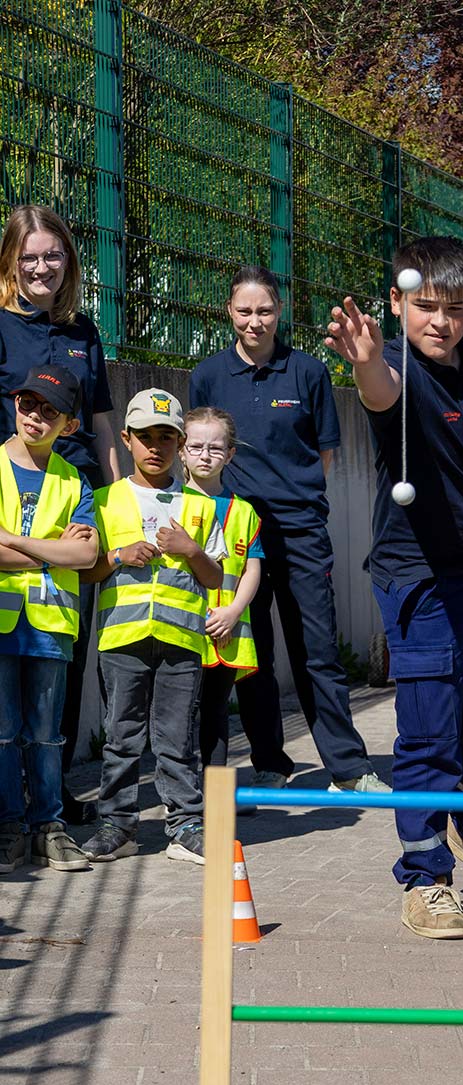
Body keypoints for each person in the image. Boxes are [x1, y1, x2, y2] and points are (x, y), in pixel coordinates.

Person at [326, 237, 463, 940]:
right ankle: (425, 879)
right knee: (429, 734)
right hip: (416, 576)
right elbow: (379, 395)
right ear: (397, 302)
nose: (440, 321)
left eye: (456, 307)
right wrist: (363, 361)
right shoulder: (389, 365)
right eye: (425, 306)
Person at [189, 266, 386, 799]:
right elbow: (201, 453)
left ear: (280, 312)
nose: (255, 321)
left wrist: (292, 501)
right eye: (245, 311)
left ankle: (347, 766)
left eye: (265, 311)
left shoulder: (308, 373)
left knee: (316, 650)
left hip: (300, 532)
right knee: (251, 653)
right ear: (229, 312)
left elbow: (324, 454)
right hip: (233, 536)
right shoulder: (208, 376)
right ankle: (269, 761)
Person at [0, 205, 120, 824]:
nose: (42, 267)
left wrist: (120, 503)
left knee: (63, 653)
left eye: (53, 255)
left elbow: (101, 424)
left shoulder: (84, 331)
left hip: (75, 501)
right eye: (30, 257)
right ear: (11, 261)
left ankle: (52, 788)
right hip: (13, 497)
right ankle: (10, 798)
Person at [80, 389, 227, 865]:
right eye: (145, 436)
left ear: (182, 443)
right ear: (126, 439)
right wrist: (118, 555)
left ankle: (185, 825)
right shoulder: (103, 501)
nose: (155, 446)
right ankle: (118, 825)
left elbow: (215, 576)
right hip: (122, 639)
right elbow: (86, 570)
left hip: (181, 640)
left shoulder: (202, 506)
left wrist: (191, 550)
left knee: (176, 738)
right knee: (121, 736)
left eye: (167, 437)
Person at [0, 365, 98, 873]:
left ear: (70, 425)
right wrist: (51, 551)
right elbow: (67, 554)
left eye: (49, 410)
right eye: (27, 403)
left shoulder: (72, 480)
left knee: (45, 734)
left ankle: (48, 828)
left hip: (50, 627)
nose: (35, 415)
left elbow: (86, 558)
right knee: (2, 731)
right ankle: (8, 828)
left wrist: (13, 542)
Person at [181, 406, 263, 768]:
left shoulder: (245, 511)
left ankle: (215, 794)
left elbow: (251, 570)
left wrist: (233, 612)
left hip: (226, 631)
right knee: (179, 715)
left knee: (216, 714)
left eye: (215, 448)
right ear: (182, 449)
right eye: (196, 446)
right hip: (181, 627)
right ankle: (181, 798)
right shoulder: (170, 502)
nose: (205, 455)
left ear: (229, 454)